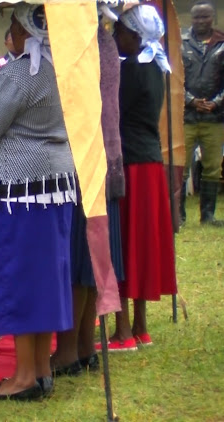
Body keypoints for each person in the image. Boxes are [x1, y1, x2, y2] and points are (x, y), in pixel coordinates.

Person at [0, 4, 74, 401]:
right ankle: (40, 369)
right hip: (54, 187)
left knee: (21, 280)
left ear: (28, 32)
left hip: (15, 194)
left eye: (13, 26)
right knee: (43, 281)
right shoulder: (63, 70)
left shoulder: (17, 76)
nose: (10, 34)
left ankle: (24, 377)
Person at [51, 8, 125, 376]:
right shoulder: (105, 44)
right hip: (103, 159)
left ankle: (69, 350)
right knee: (88, 261)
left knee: (78, 262)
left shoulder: (87, 48)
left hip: (85, 163)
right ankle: (83, 345)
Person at [100, 4, 177, 352]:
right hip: (149, 165)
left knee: (124, 243)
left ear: (134, 35)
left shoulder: (129, 70)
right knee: (140, 245)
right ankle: (140, 326)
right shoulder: (155, 66)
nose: (115, 39)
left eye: (119, 33)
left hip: (129, 164)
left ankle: (122, 331)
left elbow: (109, 112)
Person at [181, 0, 224, 226]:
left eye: (205, 16)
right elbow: (174, 77)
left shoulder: (222, 44)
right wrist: (191, 101)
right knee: (182, 167)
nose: (200, 21)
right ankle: (179, 215)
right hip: (186, 117)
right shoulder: (180, 43)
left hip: (214, 118)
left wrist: (216, 103)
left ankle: (208, 216)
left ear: (213, 18)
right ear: (191, 18)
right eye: (197, 17)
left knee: (212, 167)